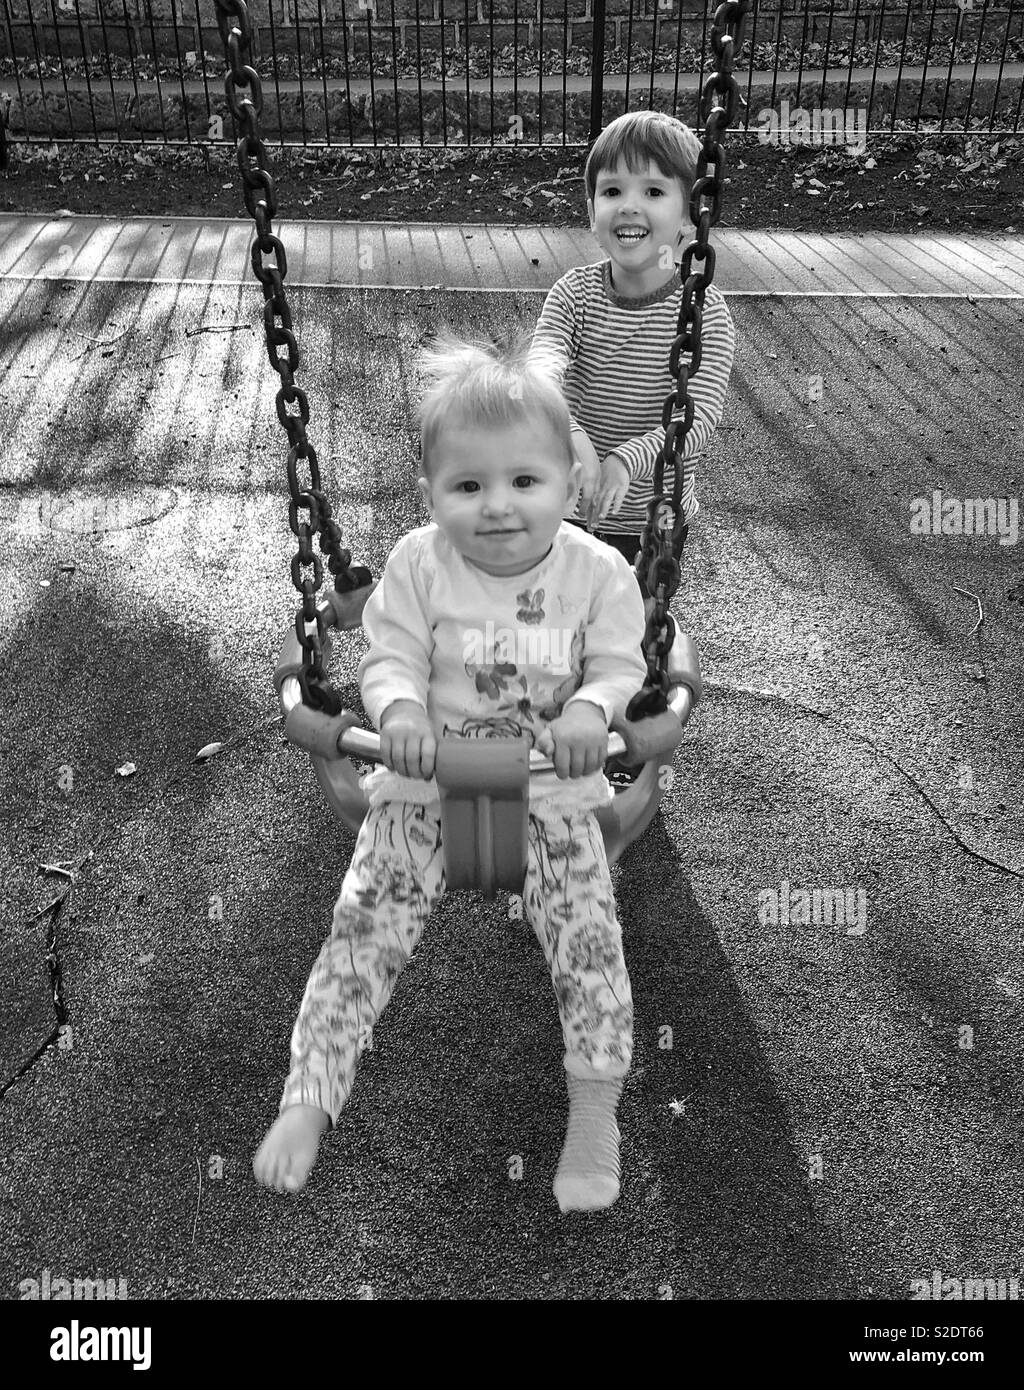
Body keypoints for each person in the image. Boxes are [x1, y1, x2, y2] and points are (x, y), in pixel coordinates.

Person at [254, 332, 649, 1212]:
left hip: (552, 792)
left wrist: (592, 712)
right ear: (433, 492)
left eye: (524, 482)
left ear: (569, 484)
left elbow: (622, 665)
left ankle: (595, 1111)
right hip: (422, 792)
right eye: (467, 486)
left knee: (591, 945)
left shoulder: (599, 572)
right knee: (358, 935)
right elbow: (389, 658)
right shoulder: (417, 564)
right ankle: (309, 1098)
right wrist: (395, 715)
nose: (497, 507)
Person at [530, 109, 736, 564]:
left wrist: (625, 461)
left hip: (650, 520)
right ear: (591, 211)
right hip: (564, 510)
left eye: (654, 191)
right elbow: (540, 371)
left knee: (632, 630)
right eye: (612, 191)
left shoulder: (703, 313)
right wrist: (570, 434)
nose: (628, 204)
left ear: (689, 215)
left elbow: (693, 421)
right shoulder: (574, 294)